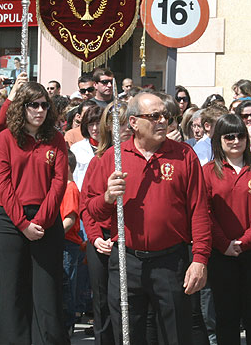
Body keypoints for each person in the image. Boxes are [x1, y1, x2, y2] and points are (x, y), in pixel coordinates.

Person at [85, 92, 211, 345]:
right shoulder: (113, 157)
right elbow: (92, 210)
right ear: (133, 122)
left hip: (170, 261)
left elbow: (199, 210)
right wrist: (108, 196)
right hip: (126, 261)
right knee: (129, 335)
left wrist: (199, 259)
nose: (163, 121)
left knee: (175, 334)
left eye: (166, 116)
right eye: (154, 116)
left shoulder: (184, 155)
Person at [0, 81, 69, 344]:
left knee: (47, 292)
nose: (39, 110)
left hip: (46, 220)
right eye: (33, 105)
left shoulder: (56, 139)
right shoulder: (6, 137)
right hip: (10, 220)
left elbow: (59, 182)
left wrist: (41, 220)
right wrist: (23, 223)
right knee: (12, 290)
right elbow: (2, 182)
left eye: (44, 105)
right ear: (21, 107)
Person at [204, 114, 251, 344]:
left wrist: (245, 241)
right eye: (229, 136)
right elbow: (205, 212)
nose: (235, 141)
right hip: (221, 255)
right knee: (226, 316)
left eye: (240, 135)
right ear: (219, 140)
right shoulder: (208, 171)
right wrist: (224, 244)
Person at [80, 101, 131, 345]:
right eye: (118, 124)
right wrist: (95, 238)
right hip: (100, 239)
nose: (125, 129)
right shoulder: (98, 160)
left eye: (128, 122)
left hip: (125, 241)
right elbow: (86, 205)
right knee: (101, 304)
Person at [61, 150, 82, 337]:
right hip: (62, 244)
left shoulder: (70, 188)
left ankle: (67, 327)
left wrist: (53, 235)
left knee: (66, 285)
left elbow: (69, 219)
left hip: (67, 245)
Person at [70, 104, 103, 189]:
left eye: (98, 123)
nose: (95, 128)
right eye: (91, 124)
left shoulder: (114, 148)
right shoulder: (76, 149)